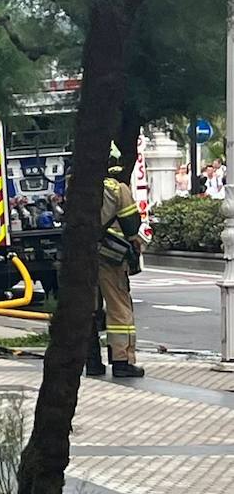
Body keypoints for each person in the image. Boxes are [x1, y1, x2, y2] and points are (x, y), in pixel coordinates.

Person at [87, 143, 146, 378]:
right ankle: (122, 360)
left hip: (82, 257)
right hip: (110, 259)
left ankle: (91, 361)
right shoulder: (117, 189)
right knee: (119, 309)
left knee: (88, 309)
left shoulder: (76, 186)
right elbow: (132, 227)